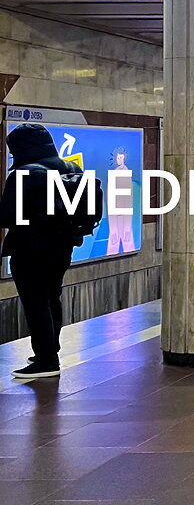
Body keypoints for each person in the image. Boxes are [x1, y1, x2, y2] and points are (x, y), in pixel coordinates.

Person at [0, 124, 82, 378]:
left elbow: (8, 216)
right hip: (63, 247)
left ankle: (46, 361)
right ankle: (49, 349)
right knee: (51, 298)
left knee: (35, 302)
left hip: (30, 249)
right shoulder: (72, 169)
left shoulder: (25, 174)